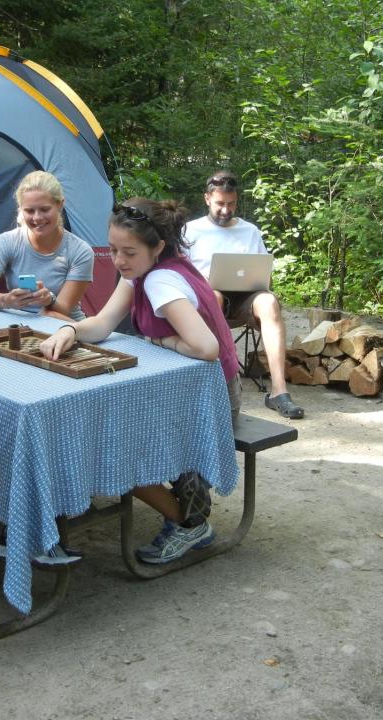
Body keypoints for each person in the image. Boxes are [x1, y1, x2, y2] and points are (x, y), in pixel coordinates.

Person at [40, 197, 241, 564]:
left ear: (158, 247)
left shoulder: (161, 281)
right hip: (185, 390)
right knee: (111, 427)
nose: (118, 261)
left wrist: (160, 340)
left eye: (128, 252)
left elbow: (206, 347)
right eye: (113, 250)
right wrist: (71, 329)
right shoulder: (143, 272)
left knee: (118, 439)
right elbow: (102, 323)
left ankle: (189, 523)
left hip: (212, 400)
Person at [185, 170, 305, 419]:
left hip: (244, 299)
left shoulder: (250, 231)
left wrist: (261, 280)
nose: (226, 210)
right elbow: (178, 273)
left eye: (231, 204)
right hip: (205, 298)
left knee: (269, 301)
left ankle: (278, 392)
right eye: (220, 204)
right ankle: (217, 383)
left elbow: (264, 275)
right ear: (207, 198)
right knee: (214, 296)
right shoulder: (190, 231)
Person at [0, 170, 95, 321]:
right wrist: (6, 300)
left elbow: (63, 309)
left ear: (60, 205)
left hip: (64, 324)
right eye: (29, 211)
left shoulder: (80, 251)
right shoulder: (6, 242)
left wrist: (49, 299)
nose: (37, 218)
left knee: (47, 314)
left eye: (44, 209)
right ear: (20, 209)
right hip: (21, 324)